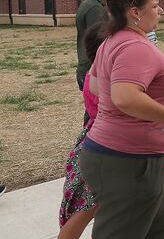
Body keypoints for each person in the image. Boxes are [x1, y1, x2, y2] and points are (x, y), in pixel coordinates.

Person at [78, 0, 164, 238]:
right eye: (155, 6)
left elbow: (98, 87)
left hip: (140, 156)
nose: (161, 10)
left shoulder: (113, 40)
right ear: (135, 12)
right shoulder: (133, 45)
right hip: (128, 160)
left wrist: (154, 98)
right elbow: (124, 96)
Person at [58, 23, 106, 239]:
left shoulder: (93, 75)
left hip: (93, 140)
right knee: (85, 208)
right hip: (100, 146)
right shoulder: (99, 79)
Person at [75, 0, 120, 124]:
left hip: (86, 66)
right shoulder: (95, 8)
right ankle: (85, 145)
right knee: (94, 116)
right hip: (91, 67)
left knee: (92, 111)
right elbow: (101, 41)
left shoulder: (88, 4)